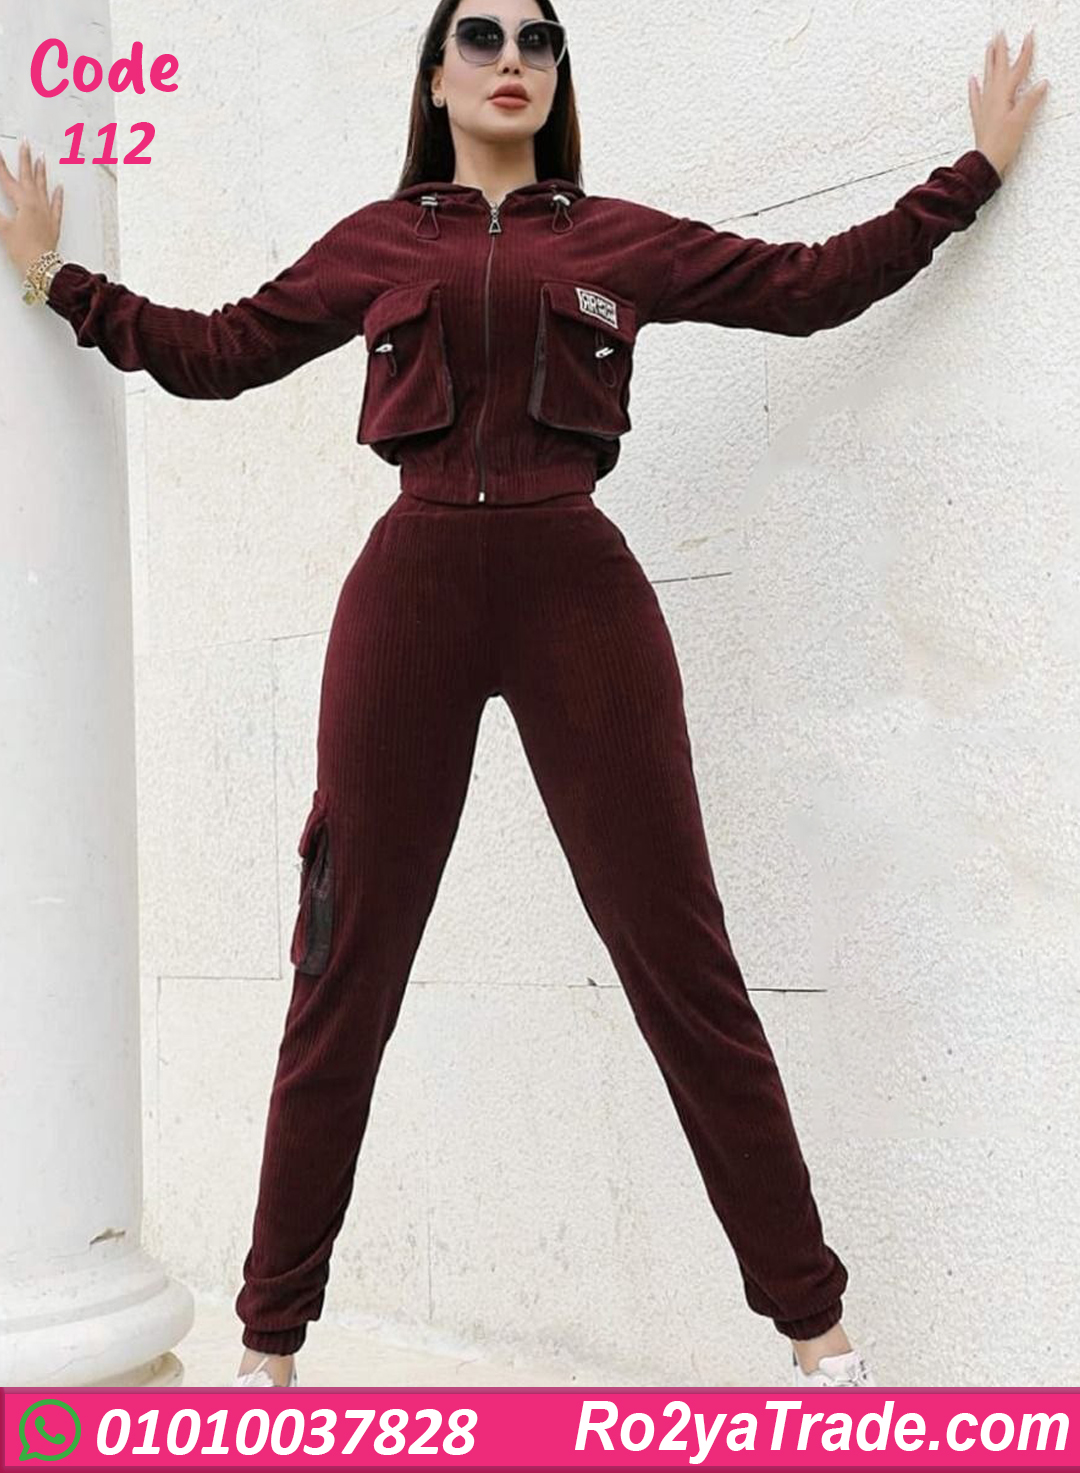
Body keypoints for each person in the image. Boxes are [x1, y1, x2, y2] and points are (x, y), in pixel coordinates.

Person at [2, 5, 1047, 1393]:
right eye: (482, 37)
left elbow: (806, 286)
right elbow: (217, 351)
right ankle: (268, 1355)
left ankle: (823, 1345)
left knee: (683, 965)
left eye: (539, 43)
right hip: (410, 598)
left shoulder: (616, 239)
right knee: (342, 973)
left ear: (557, 79)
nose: (512, 59)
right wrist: (56, 278)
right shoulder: (376, 244)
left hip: (580, 599)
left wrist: (970, 178)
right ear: (435, 78)